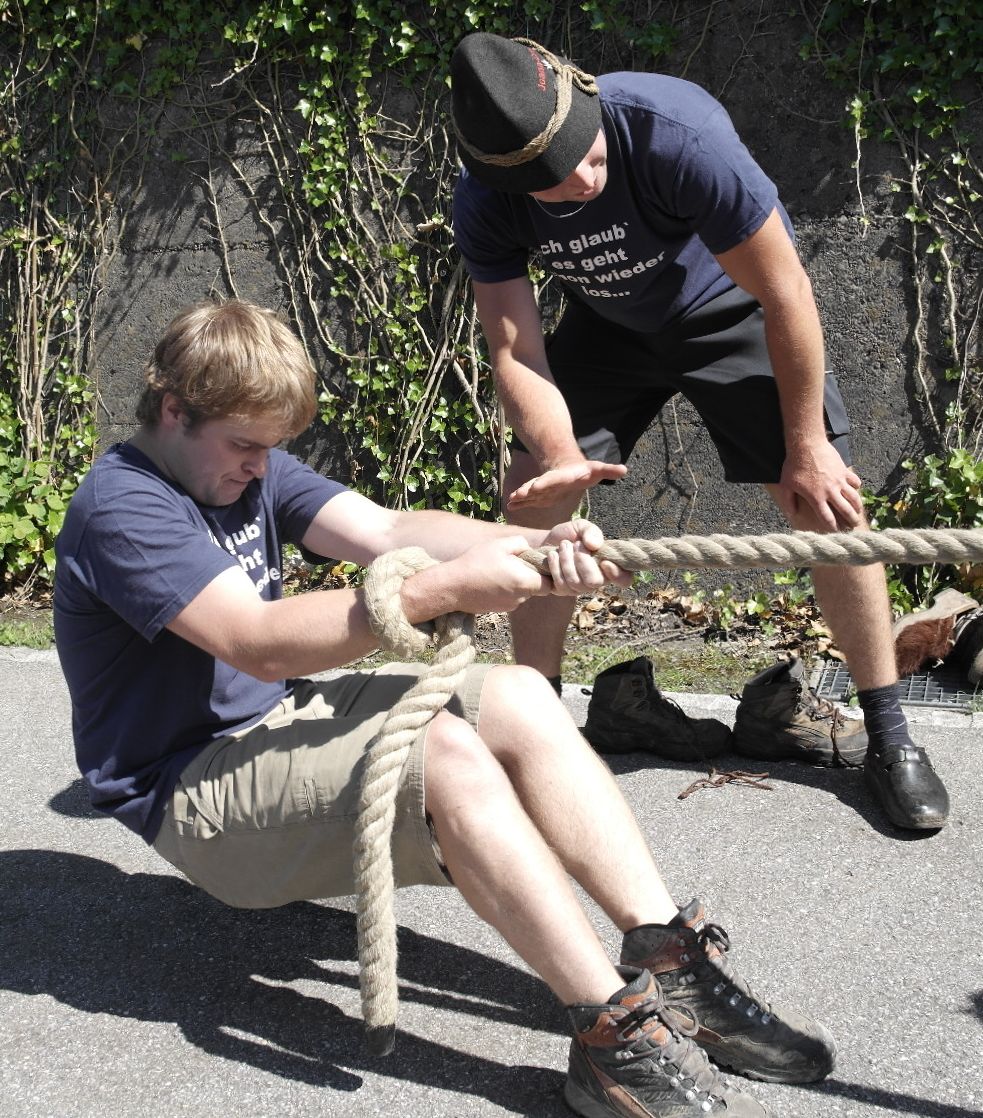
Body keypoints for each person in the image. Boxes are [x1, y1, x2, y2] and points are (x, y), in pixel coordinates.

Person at [55, 299, 835, 1118]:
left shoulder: (246, 463)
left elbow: (387, 529)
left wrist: (533, 545)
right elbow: (257, 643)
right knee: (450, 758)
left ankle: (669, 958)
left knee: (520, 697)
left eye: (269, 448)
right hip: (193, 791)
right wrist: (446, 589)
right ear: (172, 410)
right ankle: (611, 1035)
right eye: (244, 445)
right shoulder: (124, 508)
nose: (259, 466)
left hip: (273, 726)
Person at [449, 31, 950, 832]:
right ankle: (533, 734)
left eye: (586, 156)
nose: (581, 181)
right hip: (607, 329)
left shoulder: (674, 132)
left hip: (730, 308)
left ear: (584, 98)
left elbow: (785, 292)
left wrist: (806, 445)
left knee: (829, 509)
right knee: (533, 503)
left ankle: (890, 735)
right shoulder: (484, 200)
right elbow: (514, 348)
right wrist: (558, 452)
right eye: (552, 183)